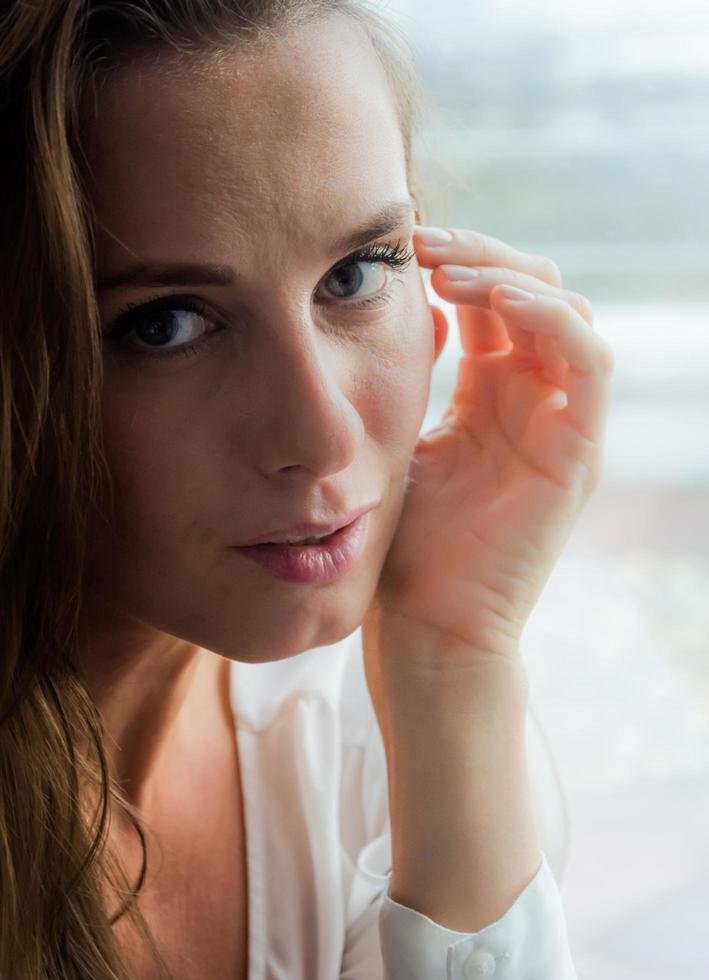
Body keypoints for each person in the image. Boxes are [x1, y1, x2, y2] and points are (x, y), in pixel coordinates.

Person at [0, 1, 614, 978]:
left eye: (358, 271)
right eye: (166, 323)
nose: (322, 432)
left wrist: (450, 661)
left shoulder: (369, 726)